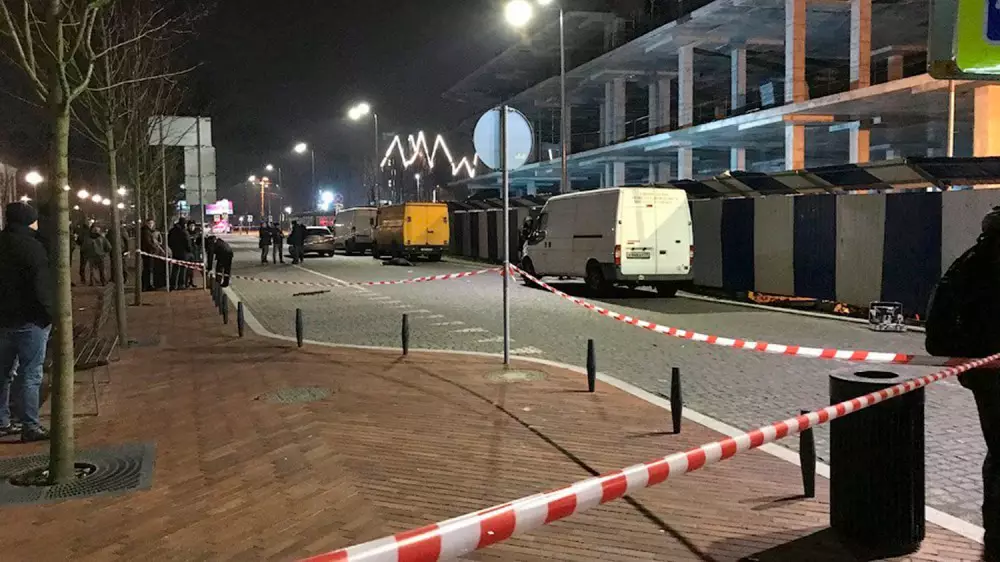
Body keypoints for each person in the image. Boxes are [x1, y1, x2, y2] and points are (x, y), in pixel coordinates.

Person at [926, 206, 1000, 561]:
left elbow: (937, 331)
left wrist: (969, 358)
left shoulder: (968, 263)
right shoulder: (978, 265)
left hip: (985, 375)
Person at [0, 202, 52, 442]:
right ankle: (30, 425)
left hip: (3, 322)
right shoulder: (33, 248)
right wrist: (49, 315)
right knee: (30, 374)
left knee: (3, 374)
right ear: (30, 222)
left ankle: (2, 421)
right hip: (30, 320)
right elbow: (41, 287)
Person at [167, 217, 193, 290]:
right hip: (184, 253)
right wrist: (190, 250)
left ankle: (172, 285)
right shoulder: (184, 232)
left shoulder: (172, 231)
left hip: (175, 252)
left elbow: (169, 241)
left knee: (175, 269)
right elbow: (188, 243)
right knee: (183, 269)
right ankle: (181, 285)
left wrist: (173, 248)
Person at [140, 219, 165, 291]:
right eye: (149, 223)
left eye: (152, 223)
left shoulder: (148, 231)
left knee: (148, 269)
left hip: (149, 252)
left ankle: (147, 285)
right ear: (146, 223)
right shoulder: (146, 232)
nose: (151, 225)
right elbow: (148, 243)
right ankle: (146, 286)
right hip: (148, 252)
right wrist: (155, 248)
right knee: (147, 269)